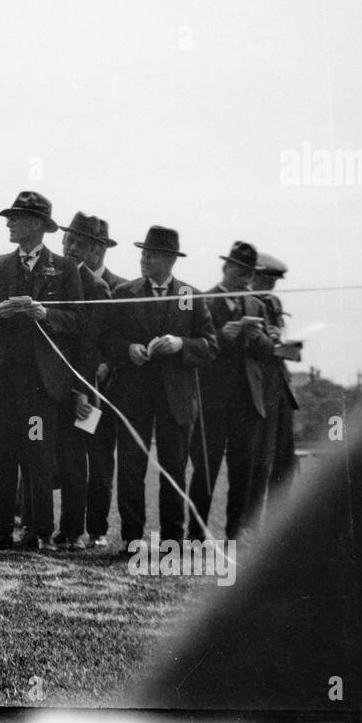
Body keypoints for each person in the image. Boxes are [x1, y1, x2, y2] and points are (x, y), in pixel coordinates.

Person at [0, 191, 83, 550]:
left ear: (37, 225)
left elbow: (79, 321)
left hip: (41, 388)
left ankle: (39, 532)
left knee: (38, 455)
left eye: (16, 218)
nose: (9, 224)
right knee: (4, 457)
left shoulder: (65, 268)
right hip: (2, 384)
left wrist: (46, 315)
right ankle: (0, 532)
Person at [102, 225, 217, 549]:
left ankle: (172, 539)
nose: (144, 260)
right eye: (143, 254)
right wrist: (128, 350)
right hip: (133, 394)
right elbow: (107, 339)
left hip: (177, 399)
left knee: (174, 470)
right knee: (130, 468)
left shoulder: (190, 296)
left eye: (151, 255)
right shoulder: (126, 293)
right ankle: (132, 538)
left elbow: (210, 346)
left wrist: (181, 343)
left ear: (169, 259)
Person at [187, 241, 274, 540]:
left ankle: (234, 533)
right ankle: (195, 534)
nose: (245, 279)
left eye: (249, 273)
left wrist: (259, 337)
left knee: (243, 471)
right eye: (239, 271)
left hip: (246, 402)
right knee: (205, 470)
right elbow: (198, 350)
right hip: (213, 400)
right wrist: (223, 336)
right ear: (226, 268)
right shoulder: (205, 301)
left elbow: (266, 353)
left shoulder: (257, 305)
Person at [53, 212, 117, 550]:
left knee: (92, 459)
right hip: (64, 388)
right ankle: (70, 528)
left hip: (93, 393)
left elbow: (92, 347)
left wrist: (83, 391)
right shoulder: (57, 278)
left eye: (80, 242)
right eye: (69, 239)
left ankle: (87, 530)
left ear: (96, 249)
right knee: (69, 457)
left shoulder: (98, 288)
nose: (71, 247)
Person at [249, 252, 300, 518]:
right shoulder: (243, 303)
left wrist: (283, 338)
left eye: (273, 281)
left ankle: (278, 521)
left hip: (281, 389)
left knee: (285, 461)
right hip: (258, 391)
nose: (269, 287)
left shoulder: (274, 303)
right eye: (265, 280)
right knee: (260, 462)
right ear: (252, 276)